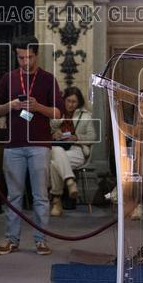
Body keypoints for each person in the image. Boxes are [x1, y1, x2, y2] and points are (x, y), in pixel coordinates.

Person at [0, 36, 62, 256]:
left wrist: (39, 106)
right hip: (13, 144)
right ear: (16, 55)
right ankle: (11, 239)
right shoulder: (8, 78)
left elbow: (58, 113)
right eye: (21, 57)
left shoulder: (48, 79)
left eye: (29, 57)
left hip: (40, 143)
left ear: (37, 55)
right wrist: (10, 105)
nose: (25, 62)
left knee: (40, 195)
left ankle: (41, 240)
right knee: (14, 195)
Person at [47, 86, 96, 216]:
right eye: (68, 101)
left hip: (76, 149)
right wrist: (53, 134)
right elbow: (46, 131)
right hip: (57, 148)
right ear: (64, 100)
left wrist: (77, 137)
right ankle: (70, 181)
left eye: (74, 102)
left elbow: (92, 137)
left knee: (54, 164)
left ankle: (56, 201)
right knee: (56, 153)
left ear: (78, 102)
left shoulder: (86, 116)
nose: (70, 104)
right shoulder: (56, 113)